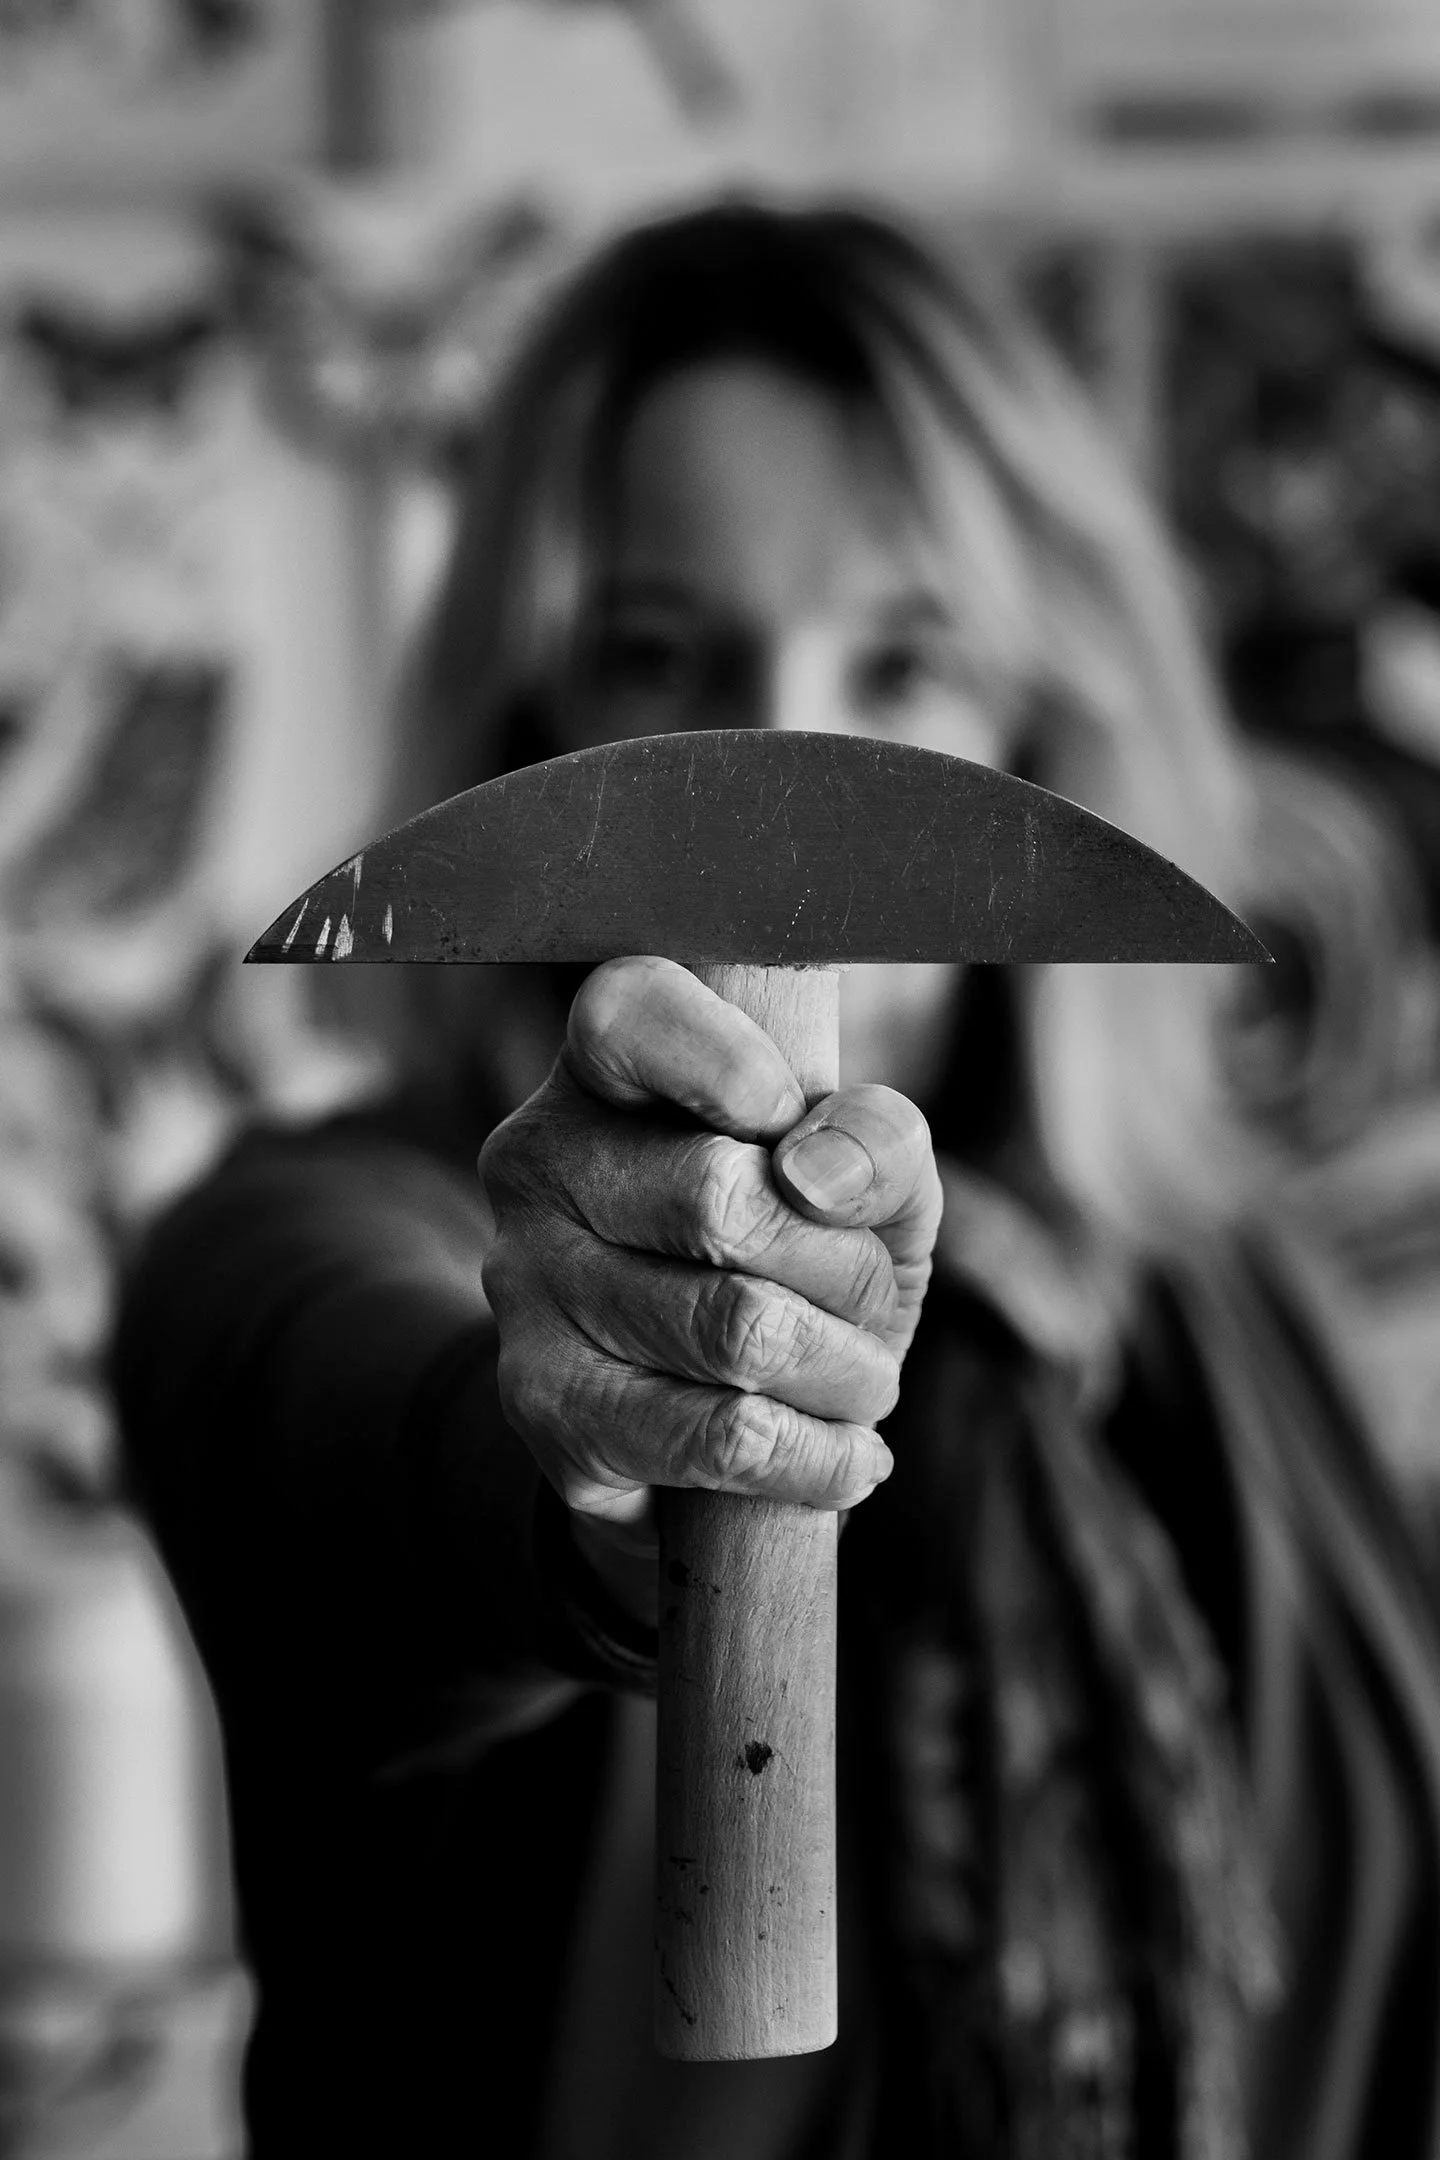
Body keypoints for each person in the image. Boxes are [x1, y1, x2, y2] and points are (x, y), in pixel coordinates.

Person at [112, 200, 1440, 2160]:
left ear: (1041, 717)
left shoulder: (1219, 1299)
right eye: (660, 647)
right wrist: (587, 1448)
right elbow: (352, 1430)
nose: (782, 752)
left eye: (902, 650)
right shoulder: (323, 1235)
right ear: (531, 710)